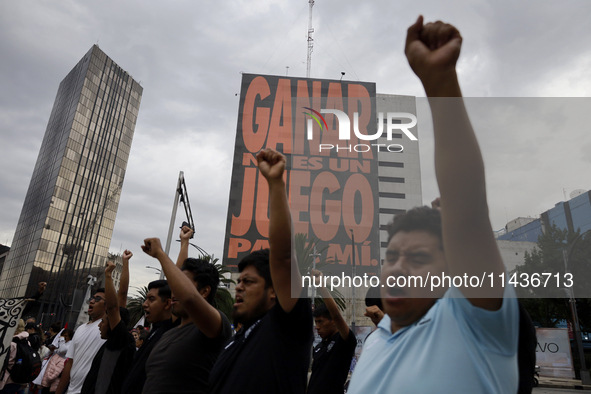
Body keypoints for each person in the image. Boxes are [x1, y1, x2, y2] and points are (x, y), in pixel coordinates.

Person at [347, 17, 519, 393]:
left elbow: (468, 208)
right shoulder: (376, 341)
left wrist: (439, 83)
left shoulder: (474, 324)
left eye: (419, 259)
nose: (397, 268)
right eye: (391, 256)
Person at [209, 148, 314, 394]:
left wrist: (276, 183)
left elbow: (284, 257)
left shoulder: (285, 327)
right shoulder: (238, 338)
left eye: (249, 281)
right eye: (239, 281)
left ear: (274, 292)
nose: (239, 287)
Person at [141, 227, 232, 394]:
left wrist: (161, 255)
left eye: (182, 285)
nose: (175, 291)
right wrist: (184, 243)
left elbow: (189, 297)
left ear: (205, 291)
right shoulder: (171, 331)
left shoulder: (215, 326)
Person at [81, 259, 135, 394]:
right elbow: (122, 293)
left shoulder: (120, 341)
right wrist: (125, 262)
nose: (99, 325)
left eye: (104, 321)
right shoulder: (111, 343)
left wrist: (108, 275)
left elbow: (112, 306)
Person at [120, 279, 176, 394]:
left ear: (167, 303)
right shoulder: (154, 331)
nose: (144, 304)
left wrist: (163, 259)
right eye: (146, 299)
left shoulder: (171, 333)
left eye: (151, 299)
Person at [307, 270, 356, 394]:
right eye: (316, 322)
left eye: (321, 322)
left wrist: (321, 286)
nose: (317, 327)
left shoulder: (344, 341)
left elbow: (336, 313)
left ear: (333, 321)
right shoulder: (319, 347)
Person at [54, 289, 107, 394]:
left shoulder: (107, 329)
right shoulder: (80, 328)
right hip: (71, 390)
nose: (92, 301)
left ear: (108, 305)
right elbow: (70, 362)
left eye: (97, 299)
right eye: (92, 298)